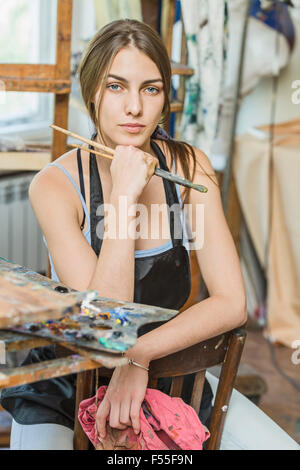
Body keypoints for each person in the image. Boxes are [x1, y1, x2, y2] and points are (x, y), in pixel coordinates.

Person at [1, 19, 299, 451]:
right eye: (117, 86)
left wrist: (140, 358)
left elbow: (231, 303)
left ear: (164, 100)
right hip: (67, 384)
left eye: (151, 89)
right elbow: (107, 328)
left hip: (169, 372)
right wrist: (123, 193)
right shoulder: (53, 186)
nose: (135, 108)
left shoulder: (189, 167)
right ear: (92, 94)